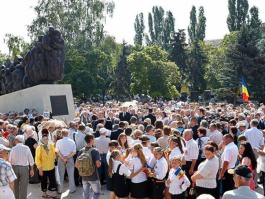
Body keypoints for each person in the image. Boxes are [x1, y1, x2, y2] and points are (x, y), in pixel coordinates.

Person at [75, 133, 101, 199]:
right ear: (91, 140)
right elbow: (98, 165)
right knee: (96, 193)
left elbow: (76, 165)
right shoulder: (95, 151)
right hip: (93, 176)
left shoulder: (81, 150)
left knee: (86, 193)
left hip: (83, 176)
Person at [9, 135, 34, 199]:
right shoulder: (26, 148)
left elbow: (10, 160)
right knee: (24, 186)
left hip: (14, 168)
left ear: (16, 141)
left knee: (15, 186)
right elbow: (31, 160)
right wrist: (32, 170)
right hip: (24, 168)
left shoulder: (13, 149)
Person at [35, 134, 58, 198]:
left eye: (46, 139)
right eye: (44, 139)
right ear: (41, 140)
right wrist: (39, 169)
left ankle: (53, 193)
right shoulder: (39, 148)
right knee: (43, 181)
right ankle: (44, 193)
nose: (45, 140)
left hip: (51, 166)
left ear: (48, 139)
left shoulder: (50, 146)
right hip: (43, 168)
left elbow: (54, 154)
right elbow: (37, 159)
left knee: (52, 180)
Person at [56, 129, 76, 194]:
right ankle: (72, 189)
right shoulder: (72, 141)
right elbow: (74, 152)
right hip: (69, 159)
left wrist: (62, 158)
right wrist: (67, 157)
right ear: (68, 134)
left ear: (62, 134)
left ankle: (60, 189)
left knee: (60, 175)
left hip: (61, 159)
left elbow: (57, 151)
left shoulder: (58, 142)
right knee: (71, 174)